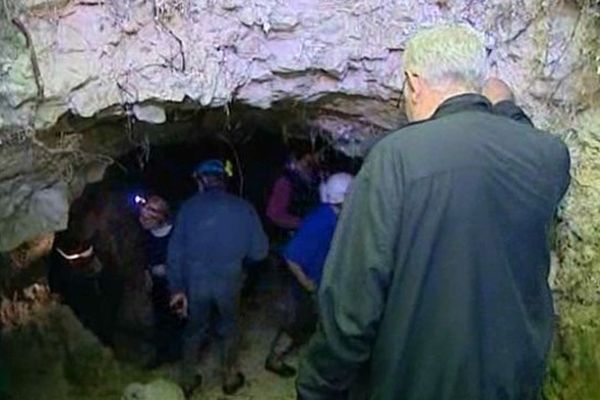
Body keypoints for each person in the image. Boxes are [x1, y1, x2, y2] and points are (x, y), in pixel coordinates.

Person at [297, 24, 571, 400]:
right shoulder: (549, 156)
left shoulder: (395, 158)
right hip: (515, 384)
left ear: (414, 82)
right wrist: (507, 109)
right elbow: (526, 154)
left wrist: (317, 385)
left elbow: (353, 304)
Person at [167, 159, 268, 396]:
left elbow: (174, 253)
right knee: (230, 328)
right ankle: (229, 378)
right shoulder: (244, 208)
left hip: (195, 283)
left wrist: (177, 289)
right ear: (223, 180)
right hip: (230, 280)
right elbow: (260, 252)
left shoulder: (187, 208)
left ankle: (188, 380)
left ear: (201, 181)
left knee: (194, 331)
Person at [265, 173, 354, 378]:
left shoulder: (336, 215)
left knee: (317, 324)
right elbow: (291, 255)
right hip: (309, 284)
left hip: (325, 281)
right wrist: (307, 284)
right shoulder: (321, 221)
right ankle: (274, 359)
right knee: (298, 324)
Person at [137, 195, 184, 367]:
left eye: (147, 219)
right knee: (161, 317)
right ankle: (163, 354)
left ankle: (182, 353)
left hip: (177, 284)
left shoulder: (176, 235)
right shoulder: (146, 235)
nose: (142, 221)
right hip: (158, 284)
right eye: (142, 216)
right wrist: (147, 271)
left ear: (161, 218)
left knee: (179, 318)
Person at [266, 140, 321, 239]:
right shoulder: (285, 181)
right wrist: (303, 223)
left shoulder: (316, 179)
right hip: (291, 237)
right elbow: (274, 214)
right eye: (308, 161)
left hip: (311, 233)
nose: (313, 164)